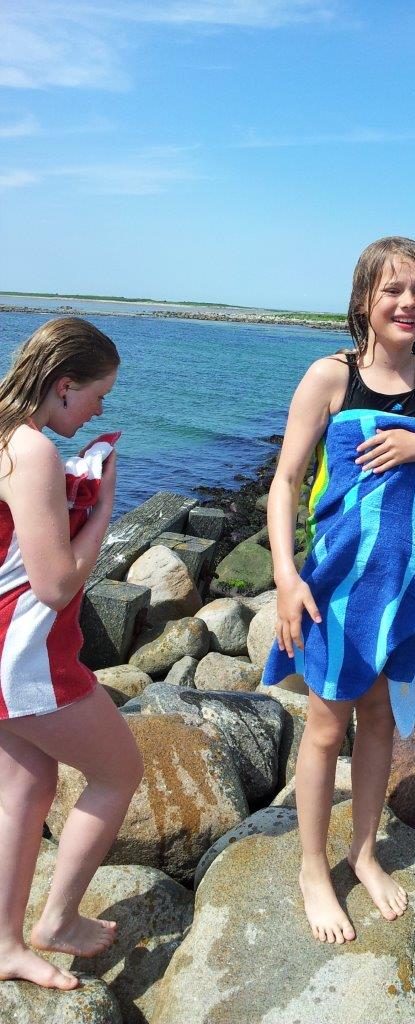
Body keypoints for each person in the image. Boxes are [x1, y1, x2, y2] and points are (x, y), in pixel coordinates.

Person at [262, 237, 415, 944]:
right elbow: (285, 482)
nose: (408, 303)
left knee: (380, 718)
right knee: (327, 726)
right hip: (337, 584)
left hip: (402, 586)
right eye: (392, 290)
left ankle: (363, 853)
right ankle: (312, 869)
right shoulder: (331, 376)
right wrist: (286, 576)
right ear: (363, 301)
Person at [0, 318, 143, 990]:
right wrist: (104, 505)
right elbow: (56, 586)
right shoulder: (32, 451)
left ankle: (5, 944)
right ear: (63, 386)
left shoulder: (7, 436)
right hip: (27, 657)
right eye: (97, 395)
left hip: (4, 649)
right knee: (119, 773)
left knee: (25, 791)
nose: (99, 410)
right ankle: (56, 921)